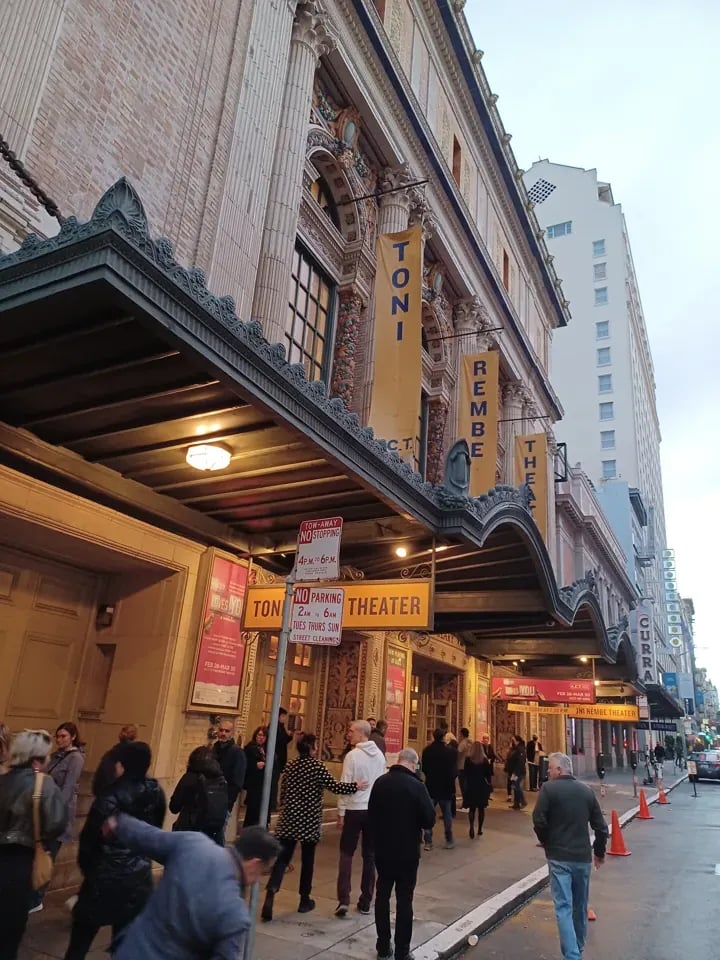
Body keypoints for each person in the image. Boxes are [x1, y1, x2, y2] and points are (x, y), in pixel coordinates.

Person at [107, 818, 280, 960]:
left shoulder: (193, 843)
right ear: (254, 863)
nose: (257, 880)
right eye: (263, 872)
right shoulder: (234, 914)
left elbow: (148, 836)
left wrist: (119, 824)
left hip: (132, 952)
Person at [64, 740, 166, 960]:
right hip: (138, 877)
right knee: (124, 946)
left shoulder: (109, 796)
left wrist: (90, 870)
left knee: (80, 942)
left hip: (103, 876)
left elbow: (89, 841)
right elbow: (154, 831)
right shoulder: (156, 793)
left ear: (123, 763)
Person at [261, 733, 364, 921]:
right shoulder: (317, 766)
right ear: (311, 747)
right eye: (316, 745)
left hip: (289, 819)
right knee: (308, 861)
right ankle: (304, 899)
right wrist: (355, 786)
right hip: (308, 820)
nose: (317, 748)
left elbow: (282, 792)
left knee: (282, 858)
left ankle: (271, 892)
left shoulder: (291, 766)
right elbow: (334, 786)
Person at [532, 752, 608, 960]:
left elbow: (538, 819)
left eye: (549, 770)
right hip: (582, 857)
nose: (547, 773)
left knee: (563, 907)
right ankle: (578, 947)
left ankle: (573, 955)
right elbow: (601, 828)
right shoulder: (586, 792)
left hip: (558, 857)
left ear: (559, 770)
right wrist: (599, 853)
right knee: (580, 906)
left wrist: (546, 841)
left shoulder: (548, 789)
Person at [0, 729, 67, 960]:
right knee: (10, 929)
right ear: (39, 757)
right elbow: (57, 822)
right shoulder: (43, 784)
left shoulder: (2, 779)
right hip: (21, 862)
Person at [368, 748, 435, 960]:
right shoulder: (417, 787)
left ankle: (382, 946)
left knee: (382, 896)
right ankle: (402, 951)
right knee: (405, 900)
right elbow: (429, 820)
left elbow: (371, 816)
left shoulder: (380, 782)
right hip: (407, 852)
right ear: (414, 764)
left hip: (383, 850)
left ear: (398, 761)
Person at [31, 721, 86, 912]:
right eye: (58, 736)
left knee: (48, 855)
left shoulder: (75, 758)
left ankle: (37, 898)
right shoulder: (55, 757)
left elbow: (69, 787)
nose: (59, 739)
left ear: (72, 736)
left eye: (63, 736)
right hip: (44, 808)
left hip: (57, 814)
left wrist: (55, 810)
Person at [335, 719, 386, 917]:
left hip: (354, 809)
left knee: (346, 853)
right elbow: (382, 783)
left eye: (352, 731)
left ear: (361, 733)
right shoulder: (380, 757)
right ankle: (366, 900)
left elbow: (344, 784)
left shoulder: (353, 756)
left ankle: (343, 900)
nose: (349, 734)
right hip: (372, 809)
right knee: (370, 855)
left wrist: (341, 811)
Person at [169, 746, 228, 844]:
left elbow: (174, 807)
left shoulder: (190, 778)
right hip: (214, 835)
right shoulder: (220, 779)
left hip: (189, 832)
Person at [421, 729, 457, 850]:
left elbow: (424, 768)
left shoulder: (427, 751)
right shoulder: (450, 752)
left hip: (431, 786)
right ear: (444, 737)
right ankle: (449, 839)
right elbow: (453, 770)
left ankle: (428, 841)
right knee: (447, 814)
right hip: (446, 786)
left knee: (429, 813)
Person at [212, 717, 247, 840]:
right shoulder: (214, 748)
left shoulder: (237, 753)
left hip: (224, 800)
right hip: (210, 798)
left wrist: (228, 801)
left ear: (232, 733)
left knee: (219, 833)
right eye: (221, 730)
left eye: (227, 731)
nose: (223, 733)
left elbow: (237, 781)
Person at [92, 724, 139, 796]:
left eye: (125, 732)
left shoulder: (122, 750)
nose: (121, 734)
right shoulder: (123, 749)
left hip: (111, 787)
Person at [464, 741, 492, 838]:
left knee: (472, 808)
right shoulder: (484, 760)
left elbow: (465, 773)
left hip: (471, 786)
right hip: (481, 786)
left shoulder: (468, 760)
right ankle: (479, 829)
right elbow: (489, 775)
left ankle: (471, 826)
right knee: (481, 809)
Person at [243, 726, 269, 827]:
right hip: (254, 784)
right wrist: (255, 765)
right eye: (259, 735)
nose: (261, 737)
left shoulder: (267, 749)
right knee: (253, 811)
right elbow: (246, 764)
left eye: (264, 735)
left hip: (264, 783)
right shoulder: (250, 748)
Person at [271, 707, 293, 811]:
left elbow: (284, 741)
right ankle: (272, 803)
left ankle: (274, 802)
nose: (284, 718)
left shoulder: (281, 727)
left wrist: (290, 735)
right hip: (275, 758)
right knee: (273, 782)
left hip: (279, 759)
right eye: (283, 716)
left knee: (275, 781)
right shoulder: (275, 726)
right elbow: (279, 741)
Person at [506, 735, 527, 809]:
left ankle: (523, 801)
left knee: (517, 786)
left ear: (517, 741)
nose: (512, 742)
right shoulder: (515, 749)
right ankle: (516, 804)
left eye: (513, 740)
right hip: (514, 771)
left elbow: (520, 762)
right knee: (515, 786)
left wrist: (516, 772)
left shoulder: (520, 749)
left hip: (518, 771)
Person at [456, 728, 472, 810]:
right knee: (467, 785)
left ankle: (465, 803)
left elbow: (458, 753)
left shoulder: (462, 743)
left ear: (462, 734)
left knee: (463, 786)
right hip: (469, 766)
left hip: (461, 766)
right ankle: (468, 802)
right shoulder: (470, 742)